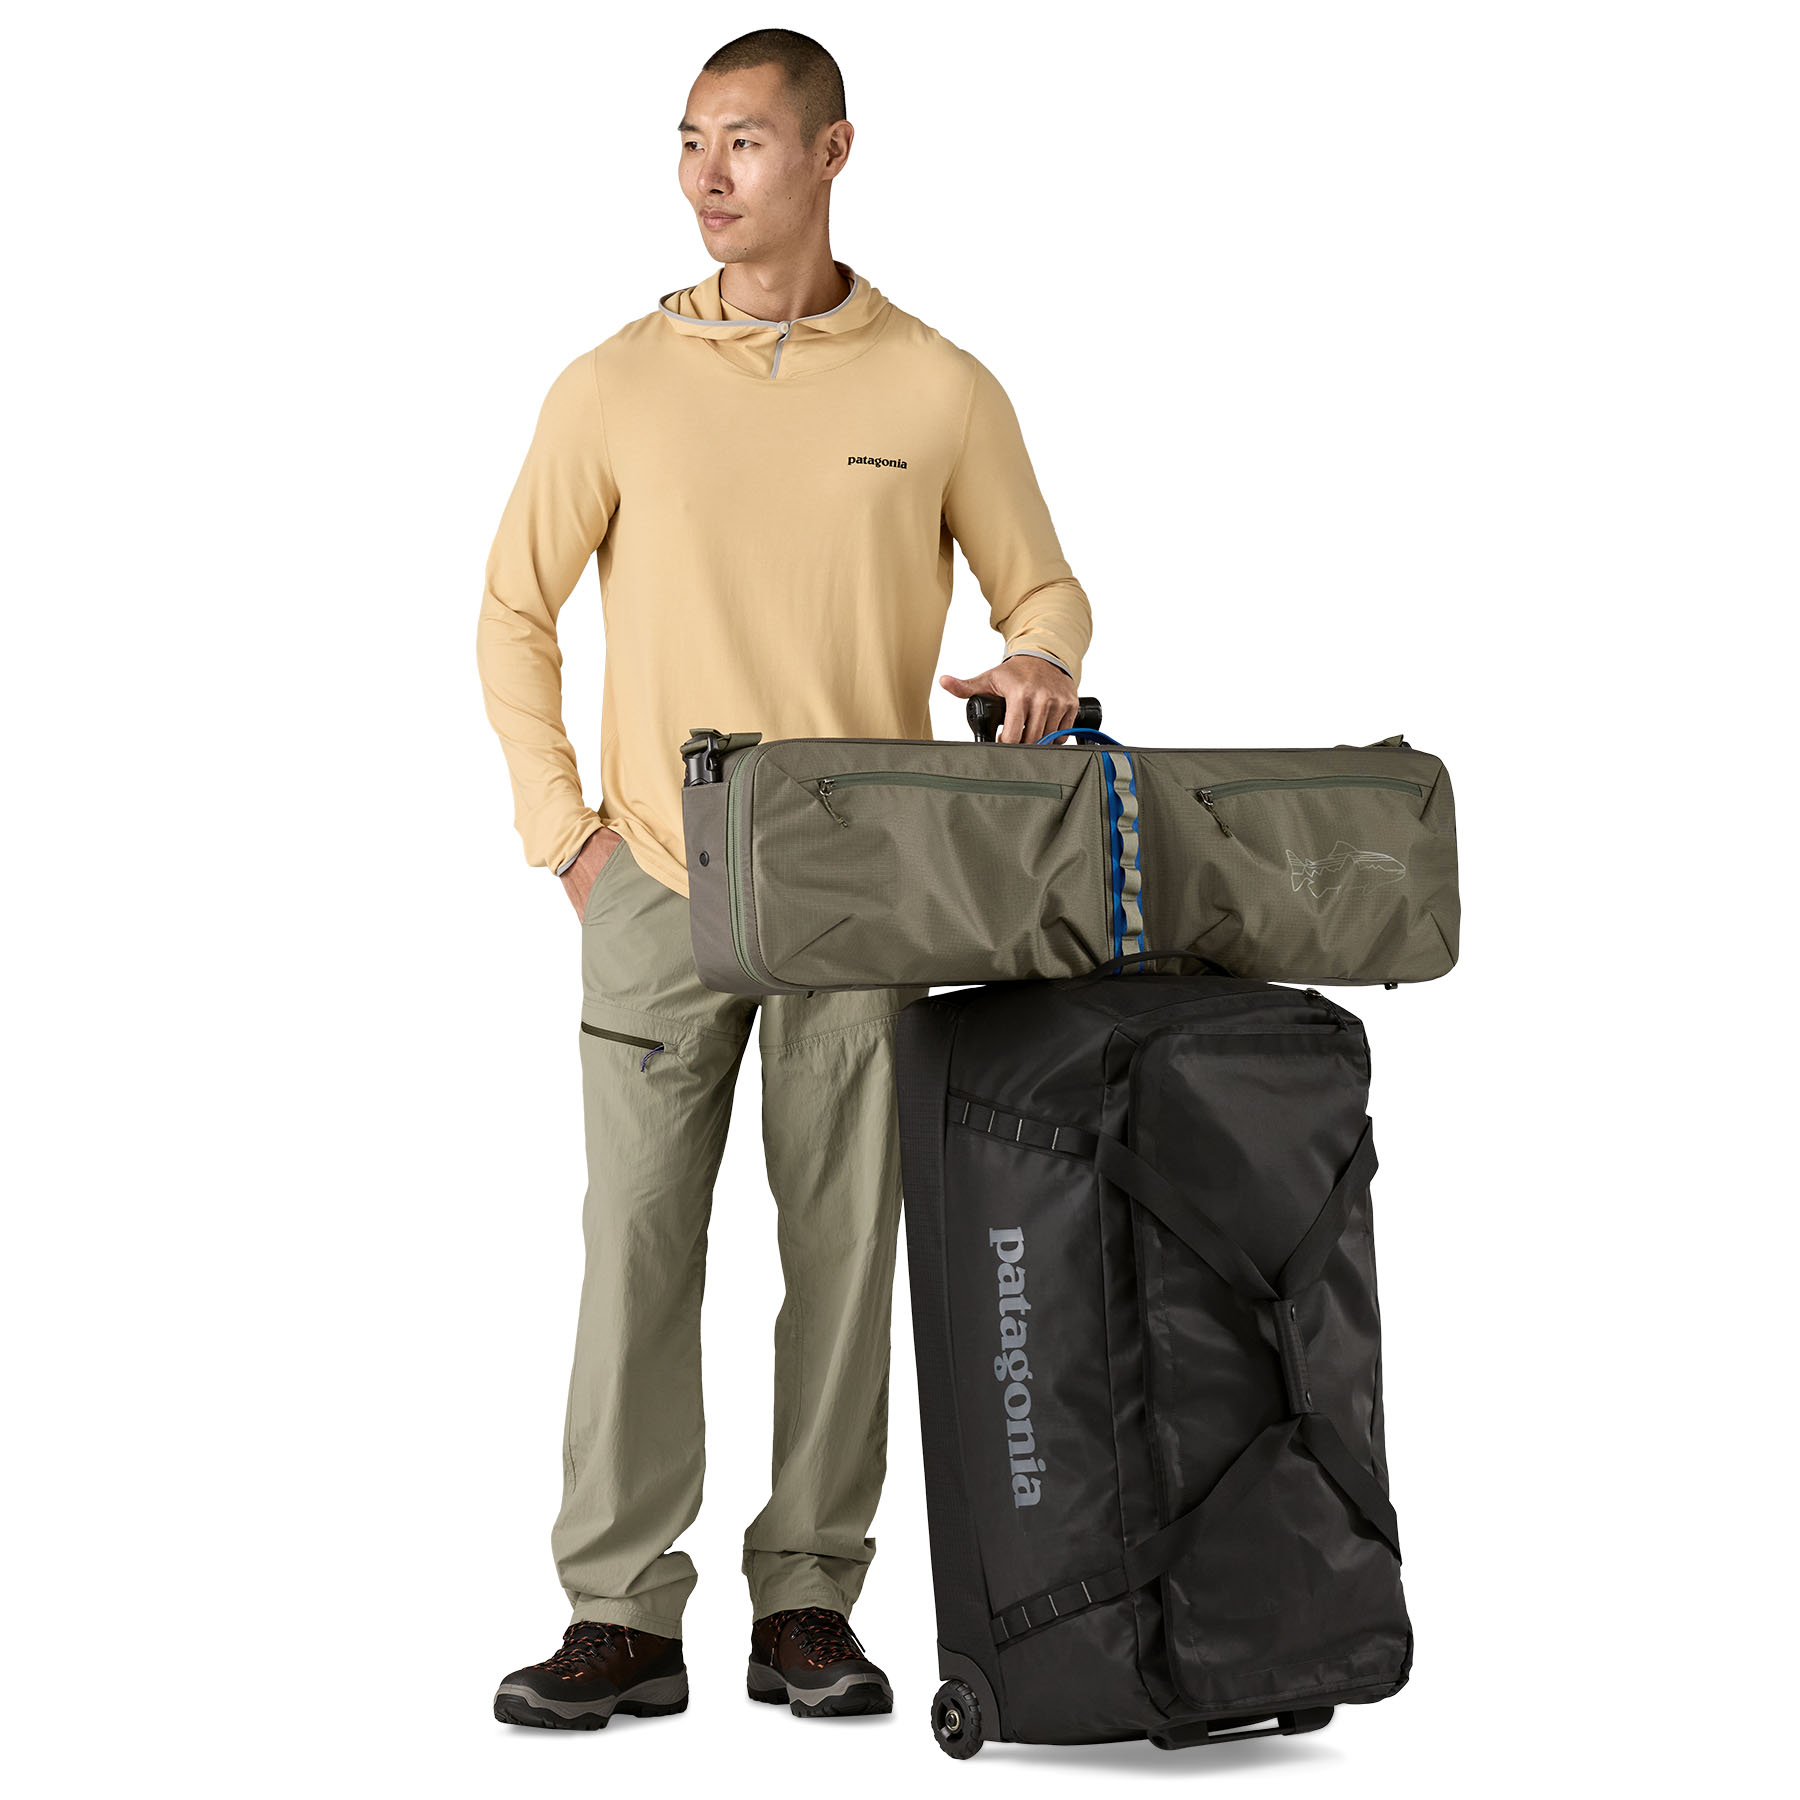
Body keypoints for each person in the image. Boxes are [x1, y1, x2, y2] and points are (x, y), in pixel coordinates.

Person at [477, 26, 1092, 1731]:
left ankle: (809, 1598)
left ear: (831, 153)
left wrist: (1038, 661)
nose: (706, 174)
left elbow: (1046, 588)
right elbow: (512, 613)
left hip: (860, 888)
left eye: (742, 141)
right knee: (636, 1253)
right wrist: (567, 838)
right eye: (688, 141)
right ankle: (620, 1612)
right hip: (656, 882)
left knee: (844, 1253)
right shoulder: (610, 385)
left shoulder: (938, 388)